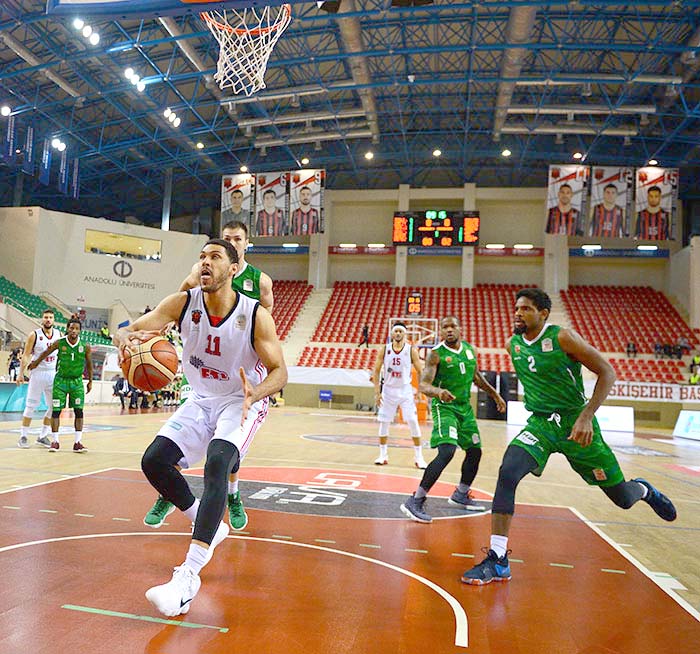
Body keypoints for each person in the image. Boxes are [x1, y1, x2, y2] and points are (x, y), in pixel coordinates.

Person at [114, 238, 287, 617]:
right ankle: (207, 523)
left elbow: (281, 371)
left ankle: (188, 576)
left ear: (233, 268)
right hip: (200, 397)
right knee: (154, 461)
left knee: (217, 465)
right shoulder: (182, 303)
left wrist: (255, 393)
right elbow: (133, 329)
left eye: (214, 257)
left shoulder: (255, 314)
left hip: (238, 401)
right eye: (202, 257)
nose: (205, 263)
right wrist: (126, 338)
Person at [461, 288, 676, 585]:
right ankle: (498, 559)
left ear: (543, 314)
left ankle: (644, 490)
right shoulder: (513, 345)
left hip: (577, 425)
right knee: (508, 471)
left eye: (525, 309)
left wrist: (586, 416)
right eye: (516, 309)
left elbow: (607, 372)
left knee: (622, 499)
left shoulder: (563, 337)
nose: (518, 314)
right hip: (541, 425)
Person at [143, 220, 274, 532]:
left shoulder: (260, 282)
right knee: (164, 454)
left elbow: (269, 326)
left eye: (237, 239)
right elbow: (178, 304)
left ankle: (234, 494)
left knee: (225, 453)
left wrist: (263, 377)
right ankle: (170, 493)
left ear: (246, 244)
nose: (231, 242)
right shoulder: (200, 273)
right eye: (226, 238)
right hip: (206, 377)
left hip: (239, 377)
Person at [401, 316, 506, 523]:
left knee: (475, 452)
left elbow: (476, 376)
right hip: (444, 408)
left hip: (465, 409)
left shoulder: (470, 350)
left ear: (460, 329)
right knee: (447, 450)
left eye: (453, 326)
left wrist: (495, 394)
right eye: (445, 327)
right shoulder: (436, 354)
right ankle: (416, 499)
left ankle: (460, 494)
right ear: (440, 332)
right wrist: (439, 392)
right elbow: (423, 386)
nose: (449, 330)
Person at [28, 318, 93, 453]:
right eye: (71, 328)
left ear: (80, 330)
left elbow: (89, 364)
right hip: (60, 382)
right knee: (56, 411)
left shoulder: (85, 346)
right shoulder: (60, 343)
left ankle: (77, 442)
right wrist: (36, 363)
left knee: (79, 411)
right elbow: (46, 352)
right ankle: (55, 441)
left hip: (77, 383)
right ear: (67, 329)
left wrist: (90, 381)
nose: (74, 331)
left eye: (76, 328)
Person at [372, 322, 428, 469]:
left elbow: (421, 371)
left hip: (405, 391)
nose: (398, 334)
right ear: (391, 334)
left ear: (405, 334)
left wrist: (421, 391)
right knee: (384, 422)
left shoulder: (411, 351)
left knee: (413, 421)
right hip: (388, 391)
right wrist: (377, 392)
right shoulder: (384, 349)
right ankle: (383, 455)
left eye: (400, 331)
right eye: (395, 331)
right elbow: (376, 371)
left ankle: (419, 457)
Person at [16, 309, 62, 448]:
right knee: (31, 406)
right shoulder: (34, 335)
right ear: (42, 319)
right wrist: (20, 373)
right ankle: (23, 436)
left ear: (53, 320)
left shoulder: (59, 335)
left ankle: (43, 436)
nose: (48, 319)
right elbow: (25, 355)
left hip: (53, 374)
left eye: (50, 317)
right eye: (46, 317)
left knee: (54, 407)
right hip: (38, 374)